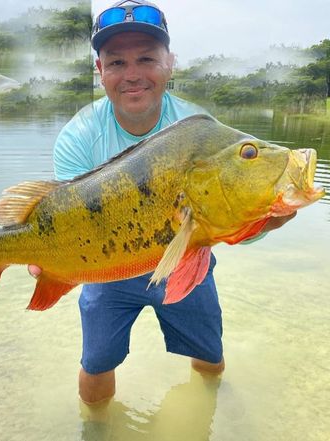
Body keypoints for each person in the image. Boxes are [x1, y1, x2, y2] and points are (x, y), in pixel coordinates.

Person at [29, 0, 295, 405]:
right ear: (100, 71)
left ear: (170, 63)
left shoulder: (200, 130)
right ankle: (97, 429)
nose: (133, 74)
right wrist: (48, 261)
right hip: (108, 267)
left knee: (209, 356)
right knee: (96, 362)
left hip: (187, 258)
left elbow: (224, 221)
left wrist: (266, 219)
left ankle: (208, 412)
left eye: (147, 58)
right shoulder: (78, 136)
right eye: (117, 62)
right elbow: (71, 223)